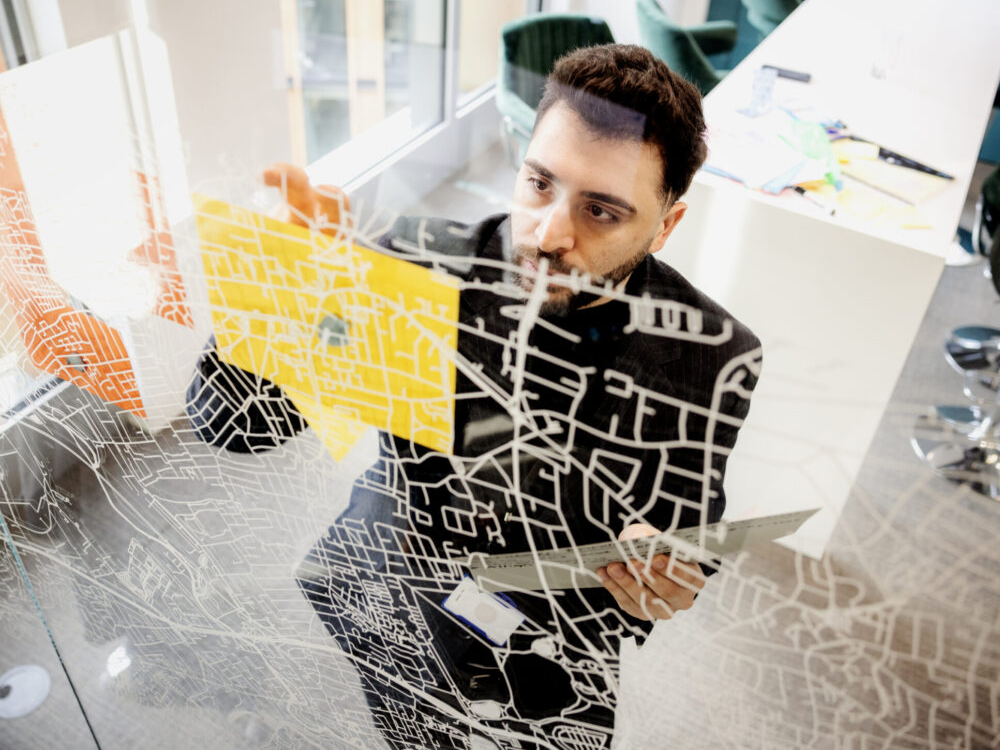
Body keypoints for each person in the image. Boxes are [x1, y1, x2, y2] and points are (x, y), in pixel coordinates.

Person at [186, 44, 761, 749]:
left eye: (601, 211)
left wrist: (670, 571)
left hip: (550, 641)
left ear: (665, 225)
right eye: (540, 183)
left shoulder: (711, 352)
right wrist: (277, 297)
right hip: (393, 584)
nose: (548, 234)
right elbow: (236, 426)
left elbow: (687, 519)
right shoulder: (419, 266)